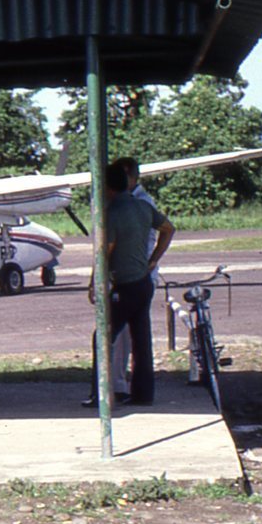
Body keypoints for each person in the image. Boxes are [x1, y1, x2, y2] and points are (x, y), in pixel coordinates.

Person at [92, 160, 173, 406]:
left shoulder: (111, 213)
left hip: (124, 284)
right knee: (141, 340)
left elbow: (105, 252)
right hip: (143, 282)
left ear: (108, 187)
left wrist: (94, 282)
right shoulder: (143, 207)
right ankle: (143, 394)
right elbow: (168, 228)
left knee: (103, 338)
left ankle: (102, 394)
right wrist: (153, 259)